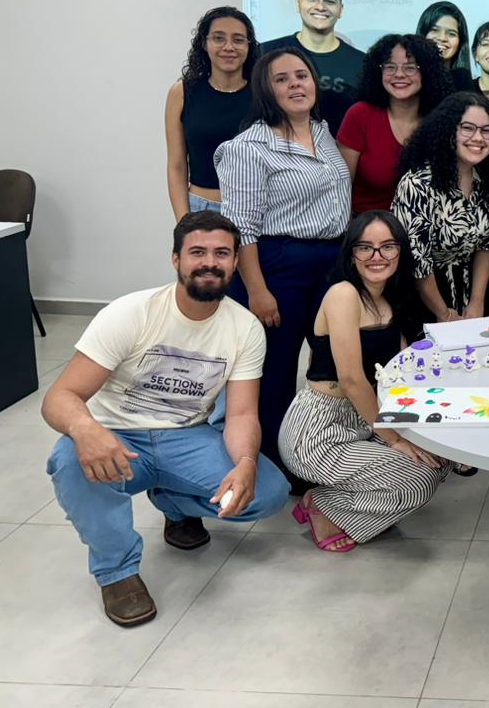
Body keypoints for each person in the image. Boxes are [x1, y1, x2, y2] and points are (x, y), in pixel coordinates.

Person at [43, 212, 289, 627]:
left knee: (267, 492)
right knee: (70, 461)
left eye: (222, 253)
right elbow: (59, 397)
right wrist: (86, 429)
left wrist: (247, 463)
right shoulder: (131, 313)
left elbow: (242, 413)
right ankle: (117, 571)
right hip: (118, 437)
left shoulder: (245, 328)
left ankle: (171, 502)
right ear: (176, 259)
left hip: (188, 437)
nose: (209, 262)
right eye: (197, 252)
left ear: (235, 262)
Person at [278, 211, 449, 552]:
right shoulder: (343, 294)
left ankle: (349, 500)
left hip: (363, 418)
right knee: (419, 480)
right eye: (365, 247)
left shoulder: (392, 297)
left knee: (437, 460)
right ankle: (323, 506)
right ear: (351, 253)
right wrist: (394, 439)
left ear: (400, 251)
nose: (377, 256)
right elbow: (352, 380)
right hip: (318, 429)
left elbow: (402, 372)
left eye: (388, 246)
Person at [214, 49, 351, 471]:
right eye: (282, 79)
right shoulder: (248, 148)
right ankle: (273, 463)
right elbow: (241, 228)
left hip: (330, 261)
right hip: (277, 264)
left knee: (330, 360)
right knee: (277, 367)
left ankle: (316, 451)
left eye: (302, 75)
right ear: (265, 89)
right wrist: (257, 291)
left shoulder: (322, 132)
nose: (295, 84)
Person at [392, 91, 489, 321]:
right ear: (448, 130)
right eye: (468, 128)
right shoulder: (417, 184)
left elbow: (487, 246)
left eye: (486, 130)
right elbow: (418, 263)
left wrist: (477, 302)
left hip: (471, 293)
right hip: (422, 298)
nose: (478, 138)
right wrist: (444, 314)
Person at [337, 33, 452, 214]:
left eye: (410, 67)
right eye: (390, 67)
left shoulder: (440, 120)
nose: (399, 74)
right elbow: (340, 191)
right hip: (368, 226)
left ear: (427, 72)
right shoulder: (360, 115)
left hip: (426, 226)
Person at [164, 6, 259, 218]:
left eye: (238, 40)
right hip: (201, 209)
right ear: (204, 43)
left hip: (255, 210)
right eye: (218, 38)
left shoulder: (263, 94)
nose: (229, 47)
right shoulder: (182, 92)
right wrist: (184, 222)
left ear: (249, 46)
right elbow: (177, 166)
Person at [260, 0, 364, 134]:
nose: (320, 7)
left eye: (330, 1)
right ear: (298, 3)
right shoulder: (265, 53)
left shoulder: (361, 63)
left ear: (340, 9)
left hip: (339, 149)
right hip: (273, 147)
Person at [417, 0, 472, 93]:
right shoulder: (409, 78)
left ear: (460, 42)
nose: (442, 38)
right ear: (422, 34)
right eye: (434, 30)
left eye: (451, 34)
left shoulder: (463, 81)